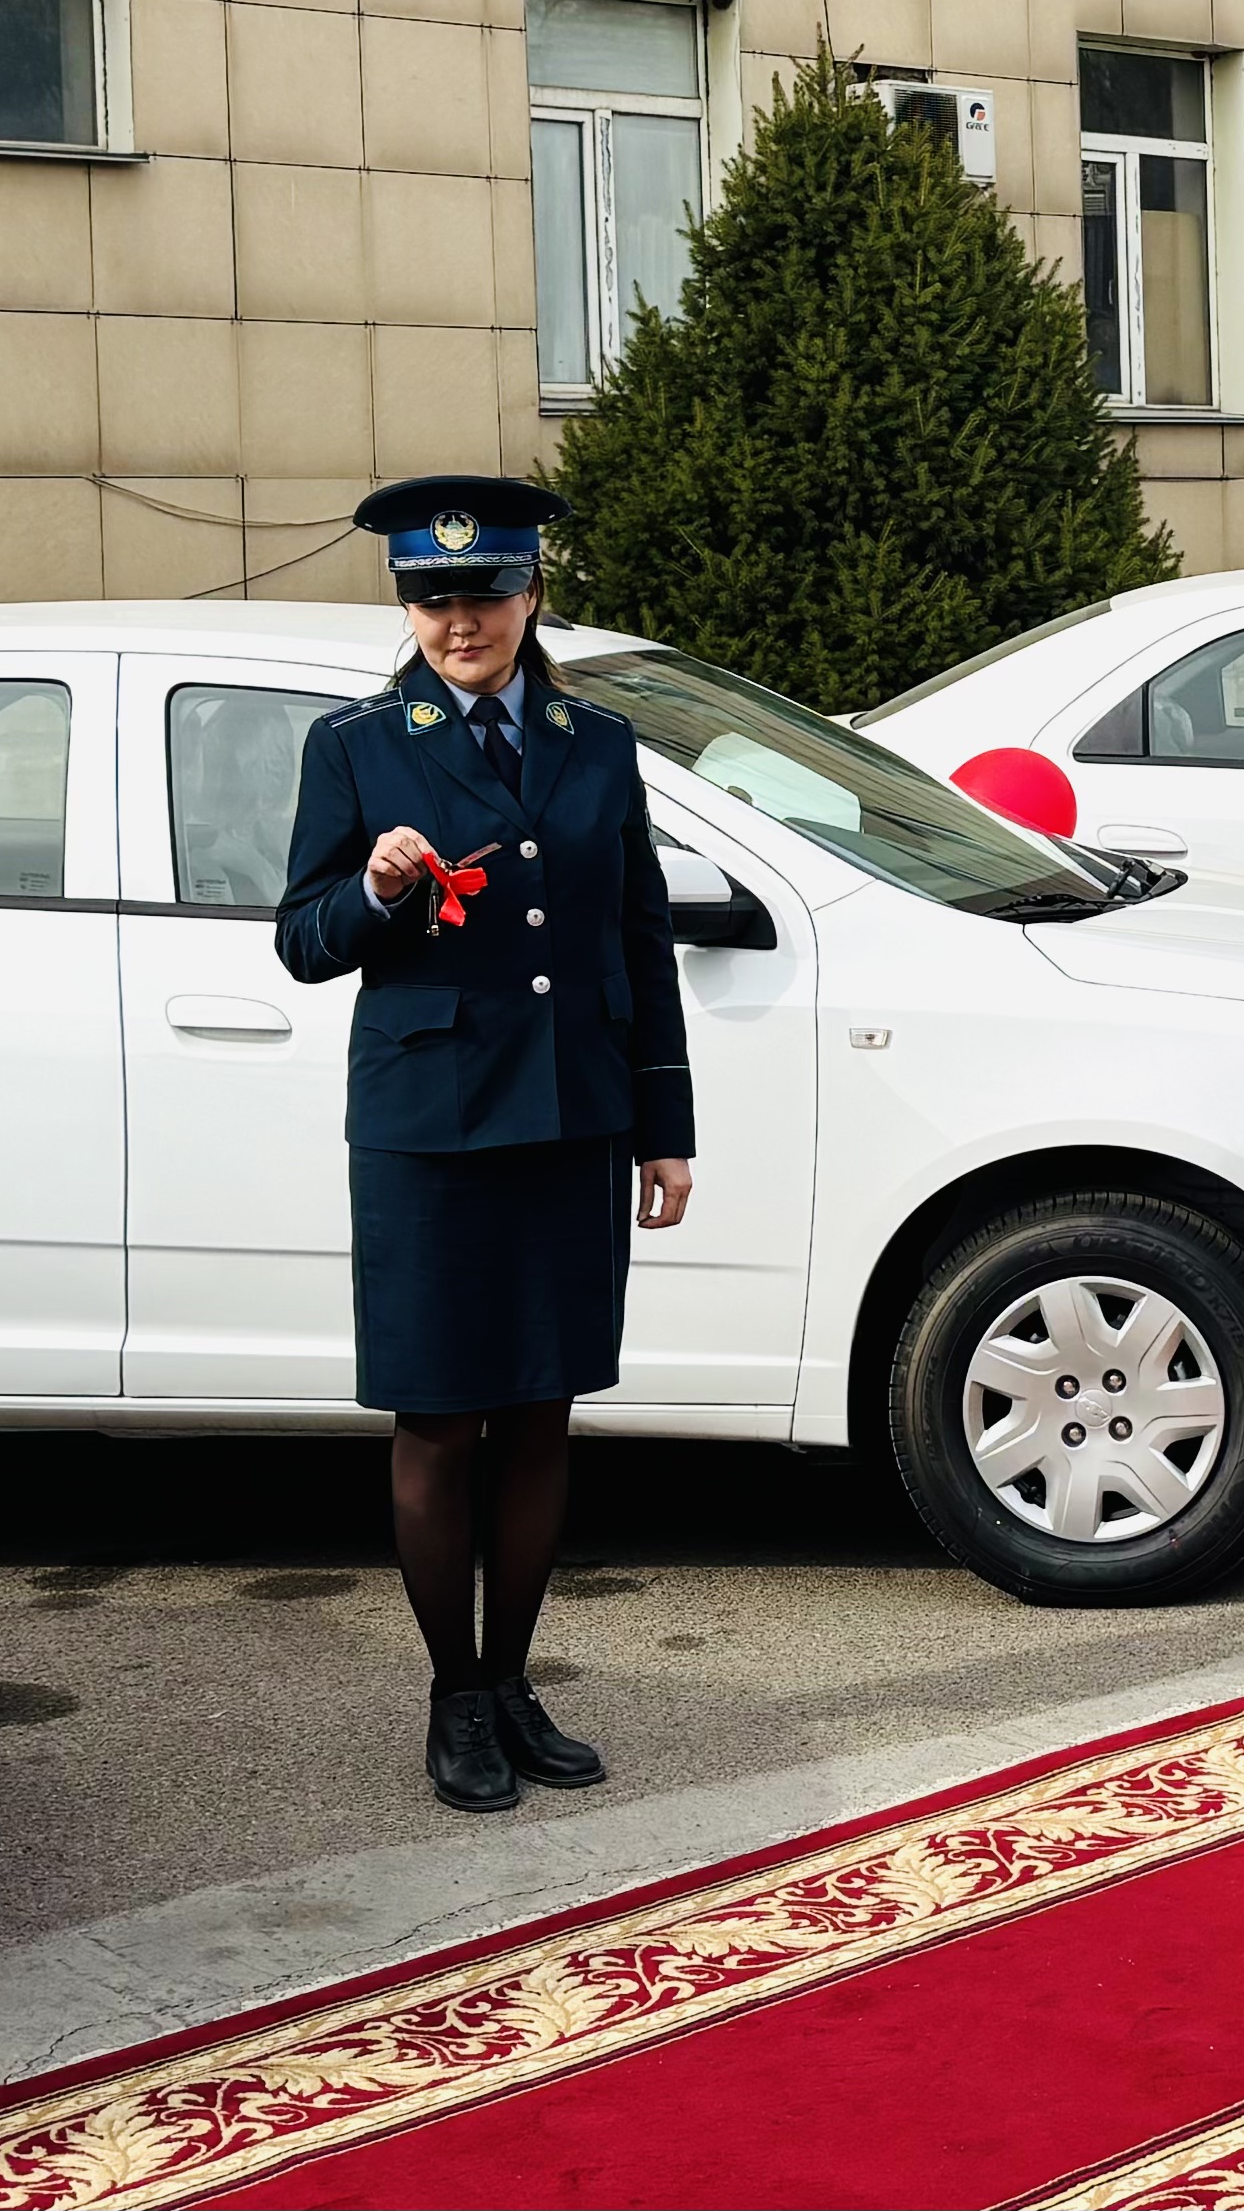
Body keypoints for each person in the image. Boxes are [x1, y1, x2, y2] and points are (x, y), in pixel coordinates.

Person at [275, 474, 697, 1813]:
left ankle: (513, 1679)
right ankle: (453, 1693)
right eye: (433, 598)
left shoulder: (597, 740)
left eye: (487, 593)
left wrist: (665, 1127)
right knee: (441, 1418)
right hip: (432, 1130)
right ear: (407, 605)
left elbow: (639, 937)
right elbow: (302, 940)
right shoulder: (357, 744)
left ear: (532, 594)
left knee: (540, 1411)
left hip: (573, 1116)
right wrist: (376, 890)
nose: (461, 621)